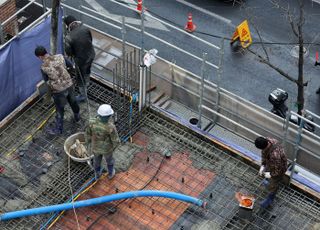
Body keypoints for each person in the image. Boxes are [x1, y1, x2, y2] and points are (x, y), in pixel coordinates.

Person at [35, 46, 80, 135]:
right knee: (73, 101)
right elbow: (71, 66)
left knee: (60, 109)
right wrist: (67, 76)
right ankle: (77, 117)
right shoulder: (60, 56)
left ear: (40, 57)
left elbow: (46, 81)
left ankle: (58, 129)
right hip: (69, 85)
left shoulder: (43, 67)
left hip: (59, 91)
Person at [64, 15, 96, 102]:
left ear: (68, 26)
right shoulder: (85, 29)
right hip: (91, 55)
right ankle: (87, 81)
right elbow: (90, 40)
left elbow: (69, 52)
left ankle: (83, 95)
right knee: (88, 69)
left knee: (80, 77)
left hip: (81, 60)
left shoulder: (69, 37)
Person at [86, 104, 120, 180]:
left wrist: (88, 141)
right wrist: (113, 148)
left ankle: (97, 175)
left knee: (96, 161)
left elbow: (88, 133)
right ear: (109, 116)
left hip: (95, 147)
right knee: (109, 161)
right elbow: (116, 140)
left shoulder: (92, 122)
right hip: (107, 149)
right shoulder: (110, 127)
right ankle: (111, 173)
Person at [255, 136, 287, 208]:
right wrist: (263, 165)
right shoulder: (268, 140)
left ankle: (270, 199)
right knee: (265, 173)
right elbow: (264, 154)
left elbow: (278, 171)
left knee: (273, 184)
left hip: (279, 168)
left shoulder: (275, 156)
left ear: (264, 147)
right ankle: (268, 182)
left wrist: (270, 175)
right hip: (271, 163)